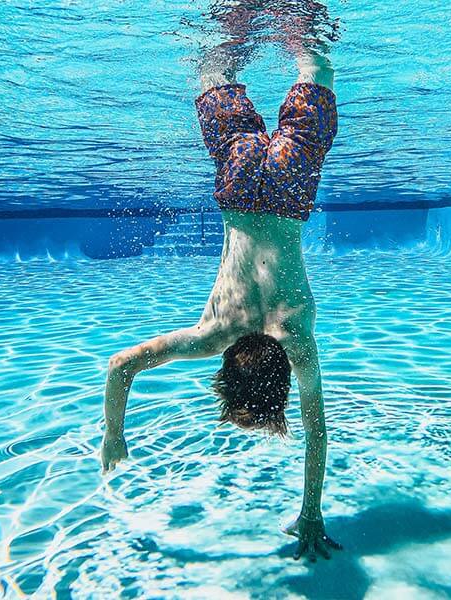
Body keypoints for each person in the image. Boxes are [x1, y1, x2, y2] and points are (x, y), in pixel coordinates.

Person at [100, 40, 341, 561]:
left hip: (290, 189)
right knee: (216, 70)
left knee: (315, 65)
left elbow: (316, 432)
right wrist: (112, 435)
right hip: (238, 182)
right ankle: (230, 26)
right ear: (225, 368)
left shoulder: (296, 341)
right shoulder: (214, 334)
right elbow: (121, 366)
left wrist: (312, 511)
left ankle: (300, 25)